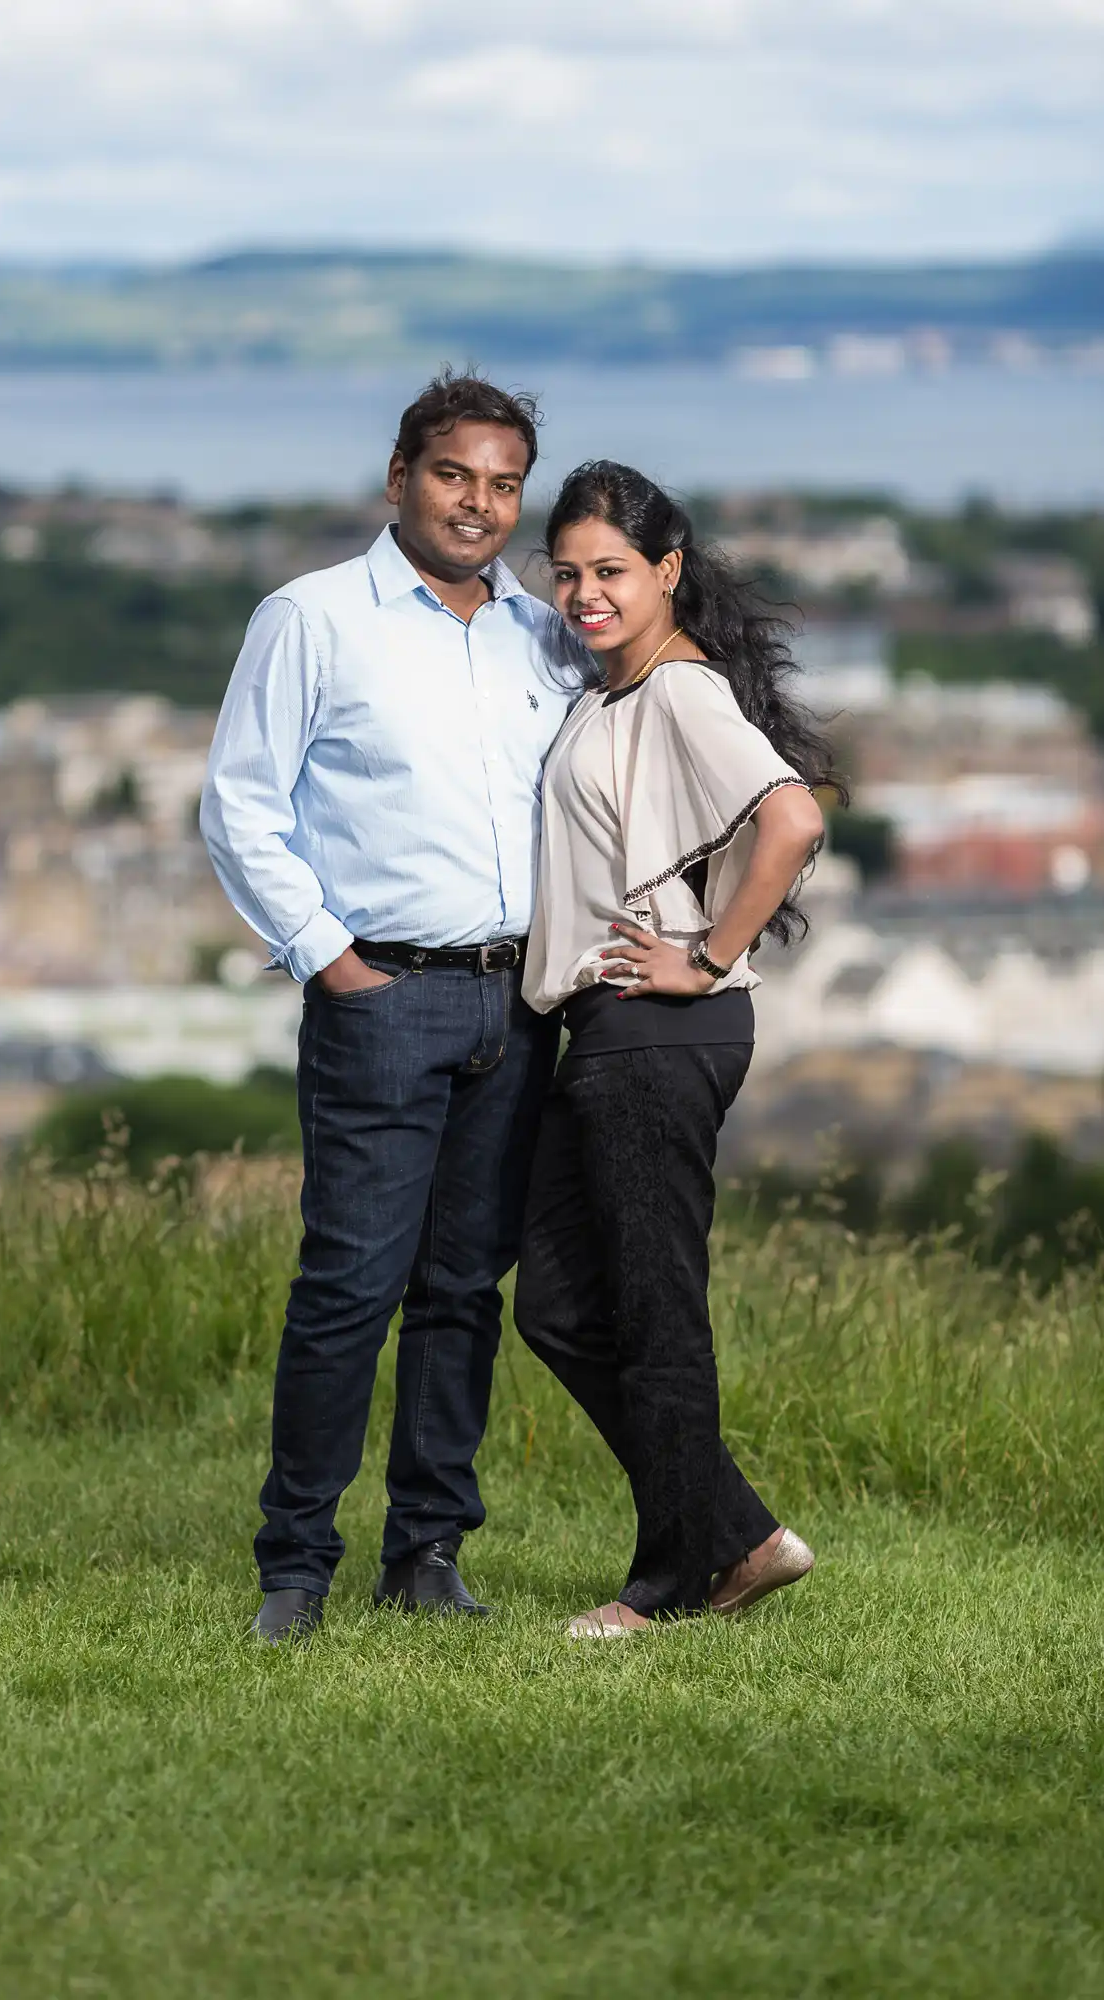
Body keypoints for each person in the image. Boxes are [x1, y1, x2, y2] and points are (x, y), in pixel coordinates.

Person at [201, 372, 583, 1645]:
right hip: (383, 997)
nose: (479, 504)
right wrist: (329, 960)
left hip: (515, 1002)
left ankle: (425, 1552)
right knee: (348, 1287)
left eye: (502, 483)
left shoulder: (543, 633)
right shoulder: (313, 618)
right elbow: (239, 804)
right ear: (398, 479)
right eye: (453, 476)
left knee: (463, 1290)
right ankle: (295, 1564)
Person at [515, 461, 842, 1639]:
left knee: (655, 1308)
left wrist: (702, 956)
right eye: (566, 571)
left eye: (609, 570)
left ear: (666, 571)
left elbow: (793, 816)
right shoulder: (613, 695)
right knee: (554, 1304)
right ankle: (740, 1533)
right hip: (604, 1033)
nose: (584, 592)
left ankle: (663, 1583)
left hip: (661, 1029)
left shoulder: (681, 693)